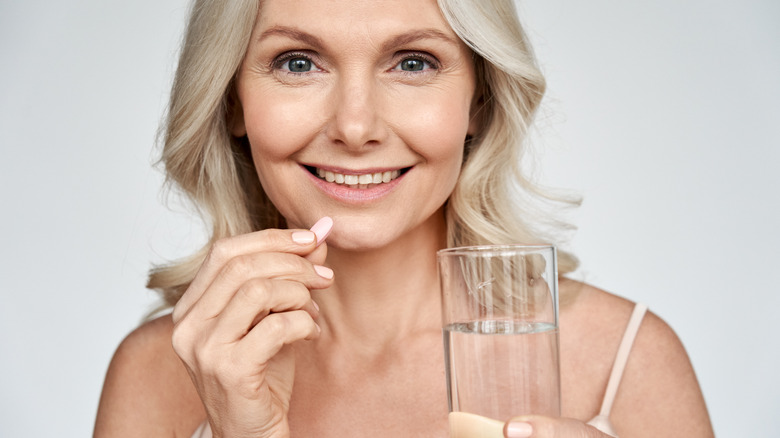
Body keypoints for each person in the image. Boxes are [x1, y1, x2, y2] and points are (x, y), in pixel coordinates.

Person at [94, 0, 714, 436]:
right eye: (298, 62)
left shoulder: (624, 362)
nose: (356, 127)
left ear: (480, 99)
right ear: (233, 100)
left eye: (413, 62)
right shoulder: (157, 376)